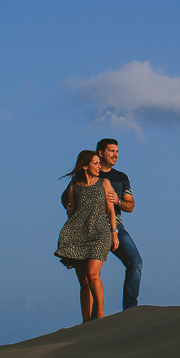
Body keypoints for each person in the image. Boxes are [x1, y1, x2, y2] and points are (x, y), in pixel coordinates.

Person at [61, 138, 143, 310]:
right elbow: (69, 197)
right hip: (87, 229)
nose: (116, 155)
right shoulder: (85, 174)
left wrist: (118, 201)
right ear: (100, 153)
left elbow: (131, 206)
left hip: (114, 227)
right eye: (112, 151)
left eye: (117, 151)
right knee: (89, 276)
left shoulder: (120, 178)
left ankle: (130, 310)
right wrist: (69, 208)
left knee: (135, 263)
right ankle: (92, 321)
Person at [55, 149, 118, 322]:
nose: (99, 166)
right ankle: (86, 322)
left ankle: (100, 314)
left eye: (99, 163)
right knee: (83, 282)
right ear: (85, 166)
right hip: (78, 235)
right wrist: (69, 210)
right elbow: (72, 212)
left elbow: (111, 211)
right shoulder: (73, 187)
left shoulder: (104, 183)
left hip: (100, 233)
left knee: (92, 274)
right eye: (95, 163)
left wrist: (114, 233)